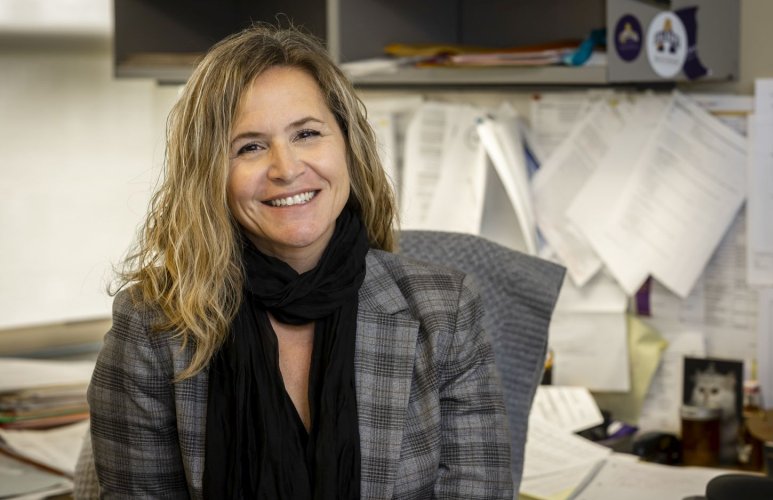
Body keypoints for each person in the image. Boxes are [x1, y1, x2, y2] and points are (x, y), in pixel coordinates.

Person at [74, 23, 513, 499]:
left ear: (347, 145)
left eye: (306, 133)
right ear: (210, 175)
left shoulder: (443, 312)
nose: (286, 168)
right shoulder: (154, 325)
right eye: (250, 147)